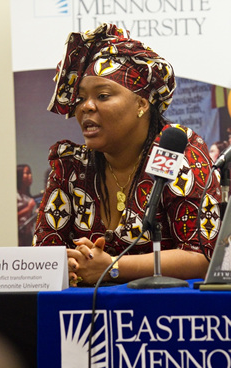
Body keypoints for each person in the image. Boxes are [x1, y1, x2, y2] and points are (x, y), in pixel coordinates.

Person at [33, 23, 221, 286]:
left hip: (167, 319)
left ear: (142, 104)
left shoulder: (177, 155)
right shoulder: (72, 168)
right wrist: (69, 263)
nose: (86, 106)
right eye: (82, 98)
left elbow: (204, 255)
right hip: (82, 321)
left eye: (103, 95)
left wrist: (113, 266)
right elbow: (43, 256)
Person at [17, 164, 36, 246]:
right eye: (27, 173)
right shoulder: (15, 195)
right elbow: (10, 218)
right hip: (18, 235)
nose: (30, 175)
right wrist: (28, 208)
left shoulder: (27, 196)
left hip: (28, 235)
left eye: (30, 173)